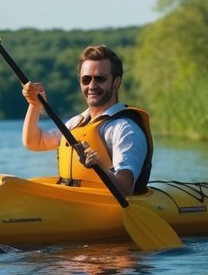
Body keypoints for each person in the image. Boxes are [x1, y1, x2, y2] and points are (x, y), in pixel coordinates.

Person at [21, 44, 152, 196]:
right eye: (86, 79)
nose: (92, 85)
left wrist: (100, 167)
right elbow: (34, 141)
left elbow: (124, 188)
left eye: (100, 79)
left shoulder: (124, 129)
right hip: (71, 204)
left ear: (116, 82)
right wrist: (35, 105)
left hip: (103, 208)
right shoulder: (76, 123)